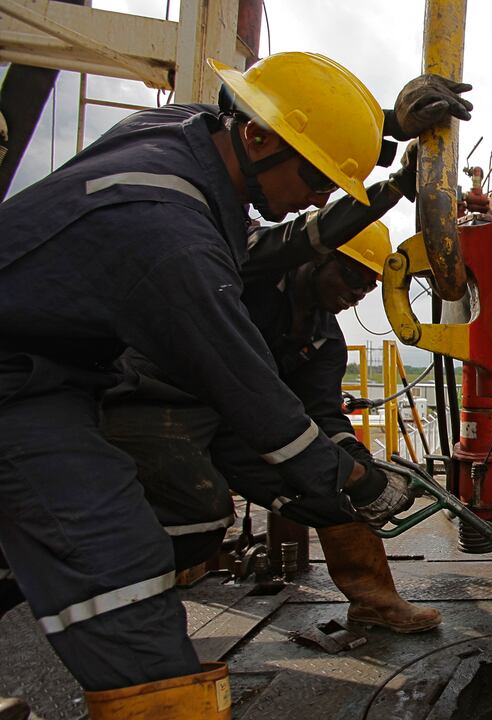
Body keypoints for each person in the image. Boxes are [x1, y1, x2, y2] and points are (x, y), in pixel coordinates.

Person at [0, 51, 464, 716]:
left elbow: (312, 406)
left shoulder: (181, 133)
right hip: (102, 392)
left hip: (93, 384)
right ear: (256, 137)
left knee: (322, 491)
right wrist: (361, 480)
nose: (322, 193)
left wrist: (385, 125)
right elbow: (254, 390)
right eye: (318, 175)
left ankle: (374, 596)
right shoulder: (178, 238)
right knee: (127, 561)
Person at [102, 220, 443, 634]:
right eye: (352, 276)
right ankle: (124, 618)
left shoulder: (324, 342)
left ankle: (375, 602)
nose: (356, 294)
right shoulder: (246, 282)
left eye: (368, 286)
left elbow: (324, 412)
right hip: (166, 398)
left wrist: (361, 471)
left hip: (245, 426)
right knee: (196, 514)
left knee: (332, 498)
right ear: (316, 258)